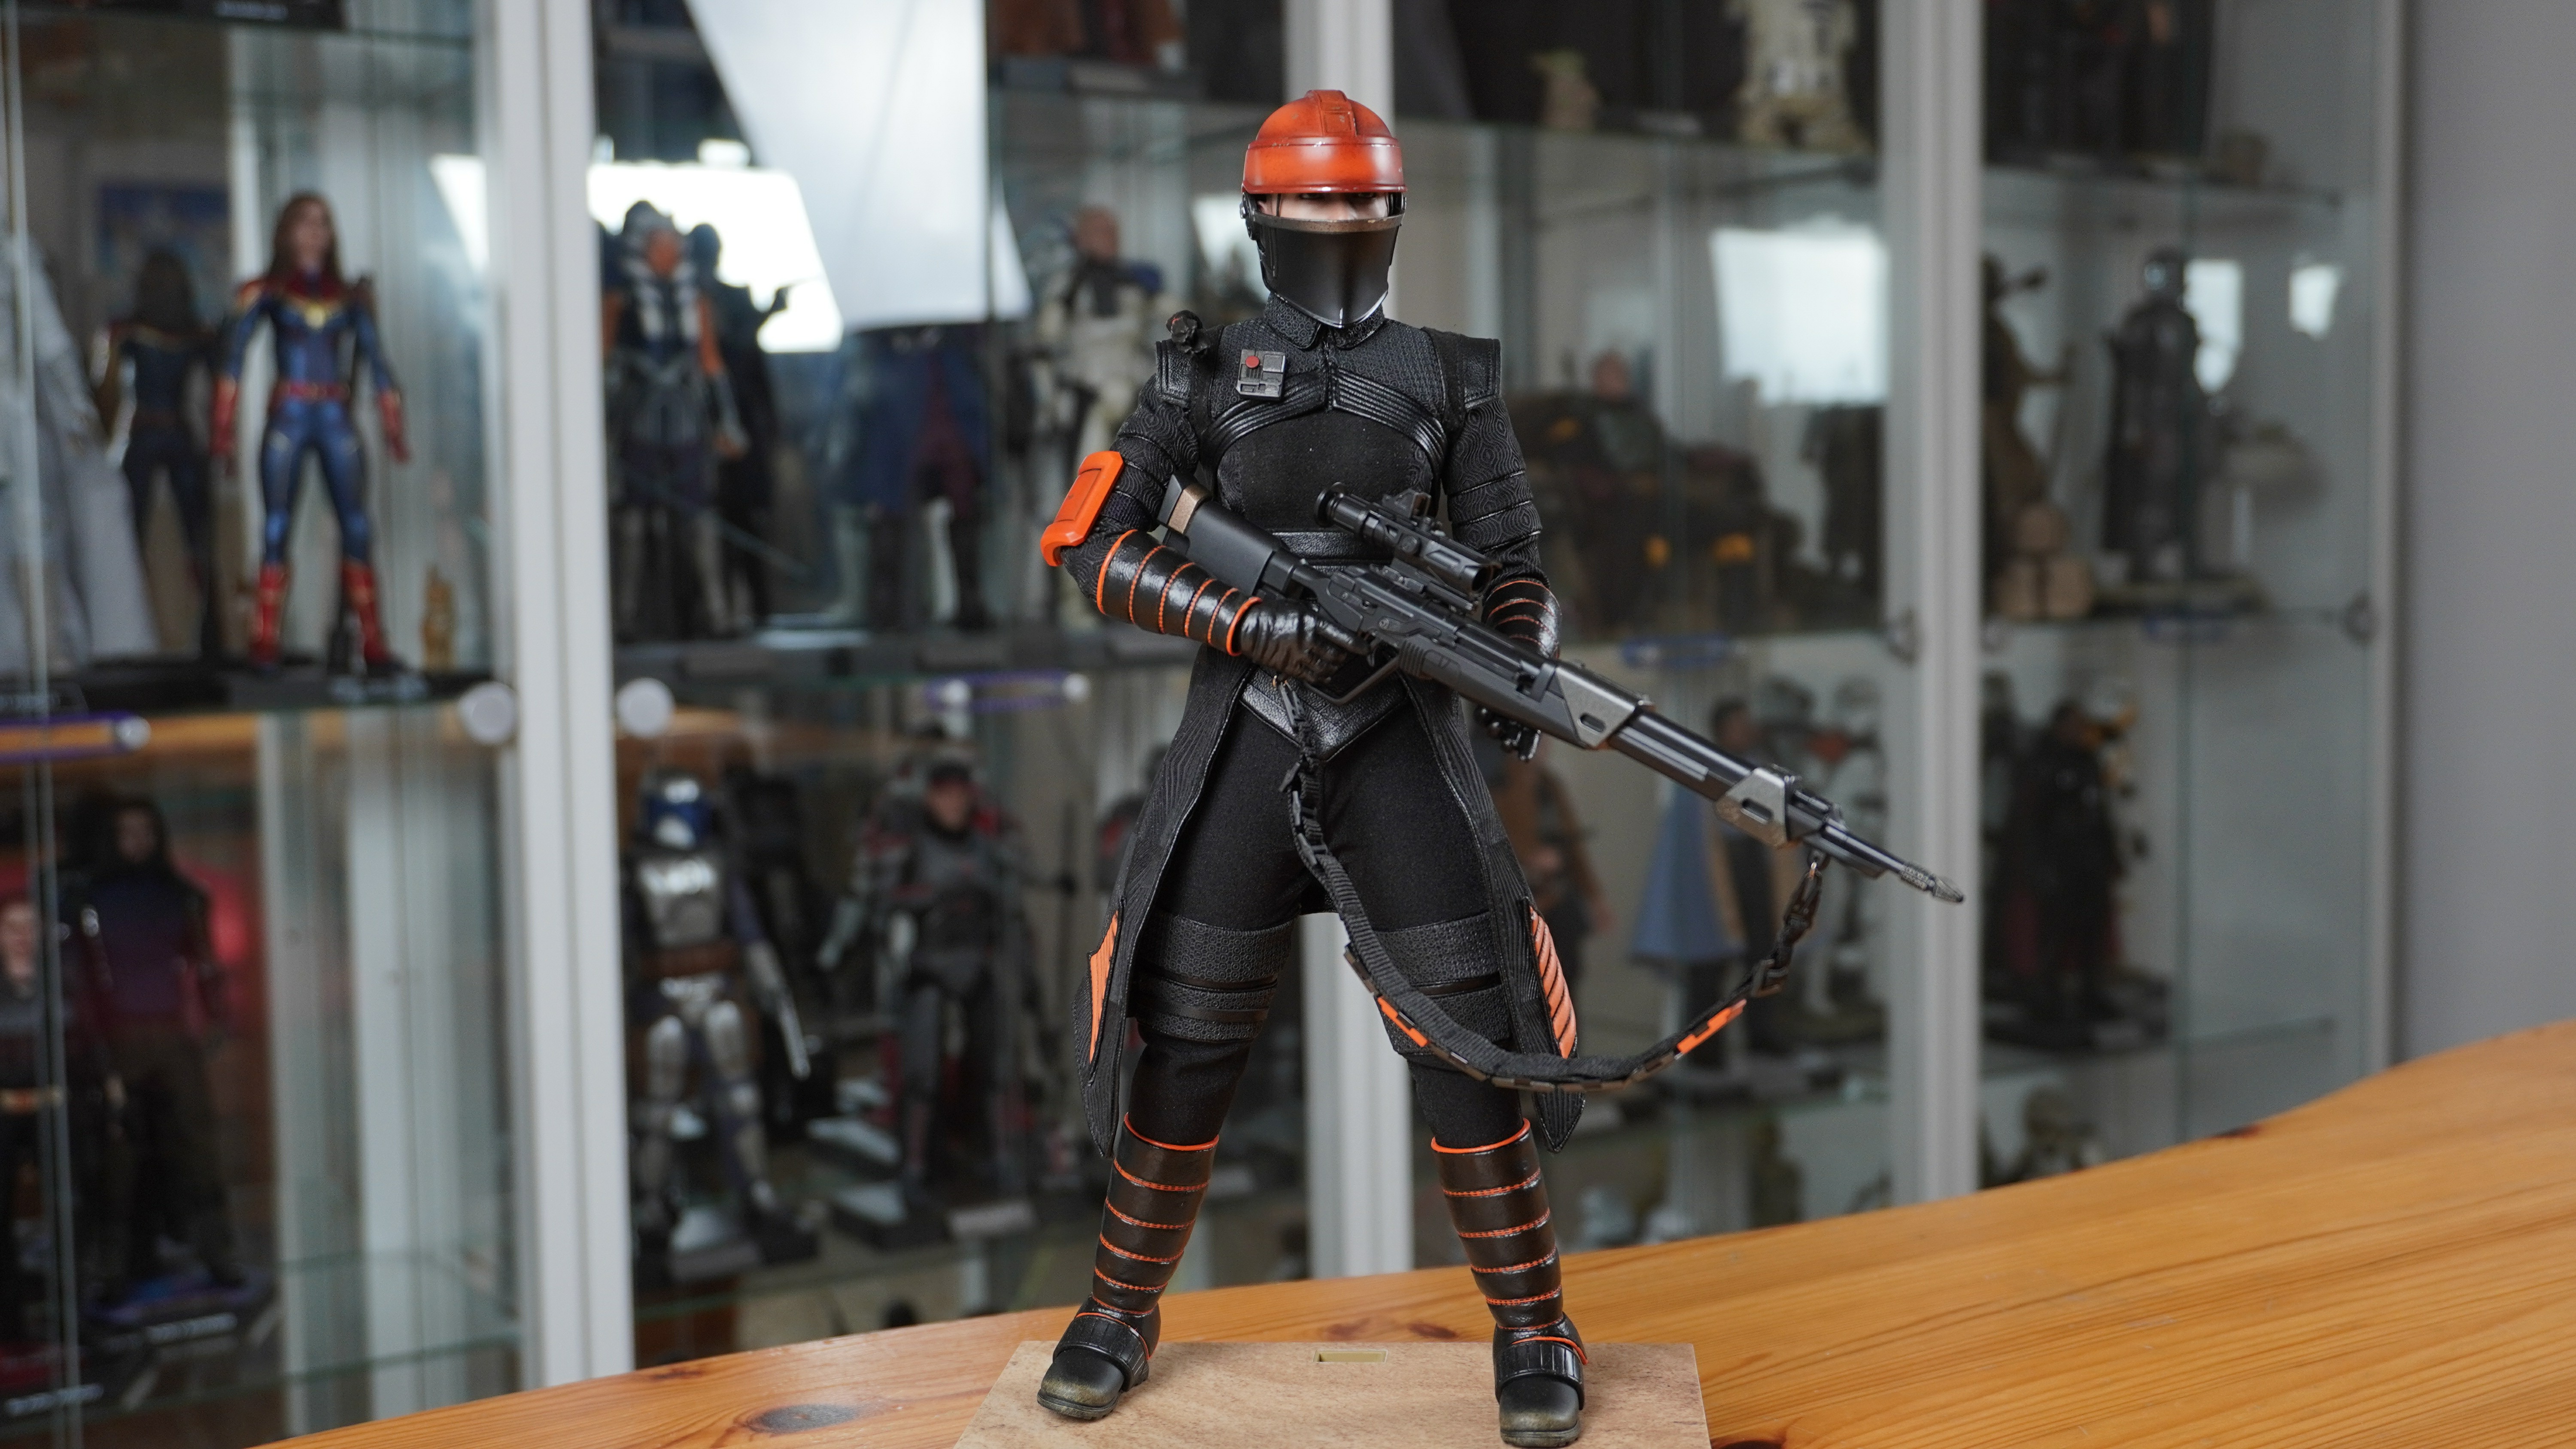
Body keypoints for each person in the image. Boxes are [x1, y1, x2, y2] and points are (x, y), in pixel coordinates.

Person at [1036, 91, 1587, 1446]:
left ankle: (1534, 1325)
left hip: (1401, 722)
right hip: (1246, 717)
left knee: (1465, 1035)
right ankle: (1117, 1311)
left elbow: (1510, 557)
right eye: (1312, 202)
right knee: (1184, 1034)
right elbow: (1091, 542)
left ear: (1392, 213)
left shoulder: (1450, 376)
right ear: (1261, 216)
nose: (1337, 223)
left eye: (1360, 202)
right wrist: (1248, 622)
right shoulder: (1200, 375)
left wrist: (1516, 659)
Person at [818, 755, 1032, 1216]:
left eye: (959, 794)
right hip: (927, 970)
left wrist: (1025, 978)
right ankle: (914, 1169)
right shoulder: (908, 849)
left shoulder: (986, 849)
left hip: (978, 967)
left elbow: (1012, 914)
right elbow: (871, 900)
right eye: (943, 794)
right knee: (922, 1078)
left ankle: (998, 1157)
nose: (952, 803)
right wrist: (839, 953)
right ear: (928, 797)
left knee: (996, 1069)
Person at [215, 193, 409, 673]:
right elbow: (233, 360)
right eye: (305, 222)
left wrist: (393, 424)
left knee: (357, 526)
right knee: (277, 527)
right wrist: (223, 430)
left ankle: (373, 641)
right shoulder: (268, 292)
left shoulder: (349, 298)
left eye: (323, 222)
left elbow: (379, 363)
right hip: (291, 413)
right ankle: (264, 639)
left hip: (334, 413)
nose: (315, 232)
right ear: (287, 231)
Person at [62, 799, 240, 1293]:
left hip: (171, 1032)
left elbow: (205, 962)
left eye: (146, 830)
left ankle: (216, 1251)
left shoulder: (180, 895)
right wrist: (91, 1044)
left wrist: (218, 1019)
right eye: (127, 831)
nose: (138, 840)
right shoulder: (87, 898)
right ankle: (115, 1262)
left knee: (196, 1146)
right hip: (116, 1036)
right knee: (118, 1154)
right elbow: (77, 978)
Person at [605, 204, 747, 641]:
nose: (669, 252)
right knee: (634, 517)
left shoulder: (694, 296)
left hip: (684, 413)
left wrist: (726, 419)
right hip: (638, 410)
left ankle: (714, 611)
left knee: (697, 512)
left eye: (672, 244)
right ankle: (626, 615)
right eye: (660, 245)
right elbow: (604, 356)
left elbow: (710, 361)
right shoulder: (622, 295)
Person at [97, 249, 221, 659]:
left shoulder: (135, 332)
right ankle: (183, 627)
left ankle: (203, 627)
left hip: (155, 431)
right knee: (169, 535)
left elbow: (103, 392)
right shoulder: (143, 333)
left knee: (185, 536)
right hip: (161, 431)